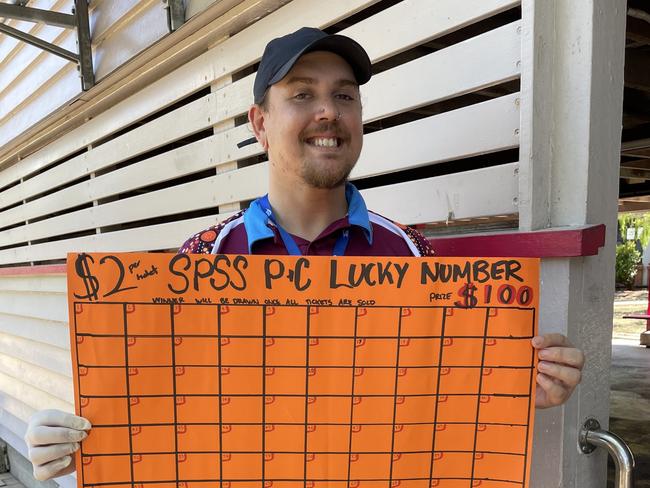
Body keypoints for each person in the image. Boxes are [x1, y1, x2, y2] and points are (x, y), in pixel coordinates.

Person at [25, 27, 585, 482]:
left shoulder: (415, 258)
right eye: (302, 94)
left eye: (344, 95)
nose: (328, 112)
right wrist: (79, 439)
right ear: (261, 123)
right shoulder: (201, 262)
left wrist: (518, 386)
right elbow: (165, 409)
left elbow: (437, 404)